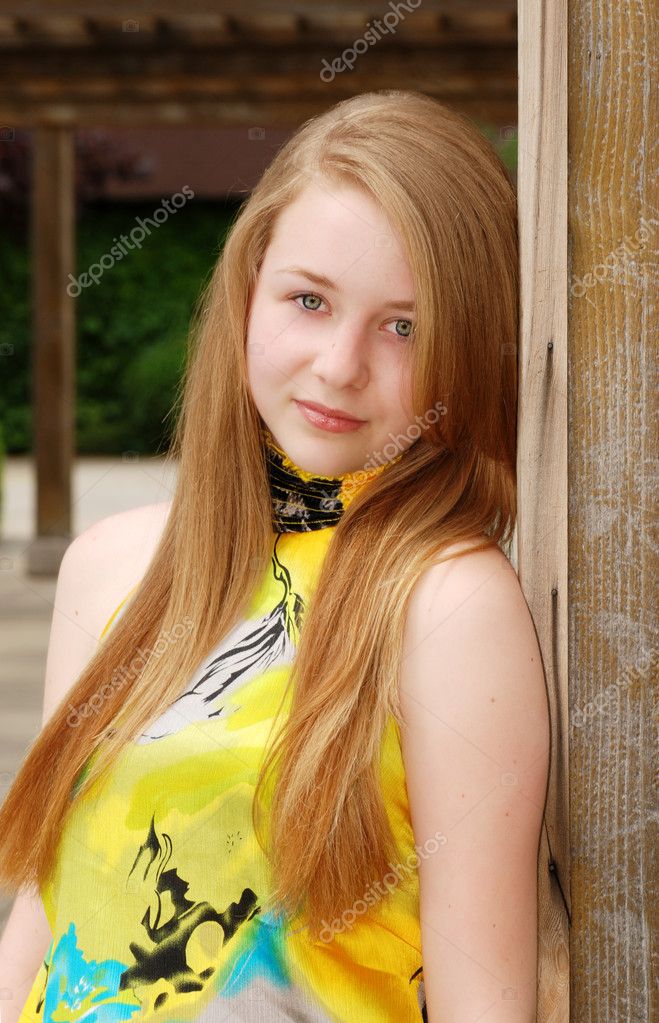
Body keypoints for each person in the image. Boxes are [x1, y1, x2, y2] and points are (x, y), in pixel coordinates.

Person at [0, 90, 550, 1021]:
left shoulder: (449, 605)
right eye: (309, 299)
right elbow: (37, 927)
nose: (341, 364)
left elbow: (481, 1000)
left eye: (404, 326)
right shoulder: (109, 568)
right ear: (247, 289)